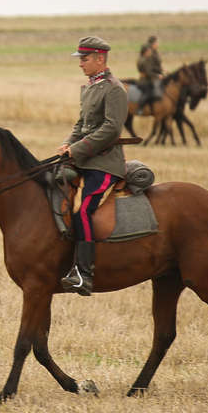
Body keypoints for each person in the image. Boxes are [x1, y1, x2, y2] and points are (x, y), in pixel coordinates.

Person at [56, 36, 127, 297]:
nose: (80, 64)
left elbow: (111, 129)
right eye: (80, 59)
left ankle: (83, 273)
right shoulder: (89, 87)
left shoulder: (114, 89)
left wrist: (77, 149)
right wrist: (66, 145)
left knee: (83, 208)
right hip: (84, 159)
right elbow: (81, 124)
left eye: (84, 59)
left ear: (100, 58)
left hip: (105, 164)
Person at [136, 36, 164, 109]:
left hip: (148, 78)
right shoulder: (144, 60)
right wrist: (157, 75)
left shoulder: (144, 59)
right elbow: (149, 71)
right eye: (149, 51)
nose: (150, 52)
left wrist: (161, 70)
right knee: (149, 91)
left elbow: (152, 68)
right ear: (145, 52)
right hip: (144, 80)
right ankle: (140, 107)